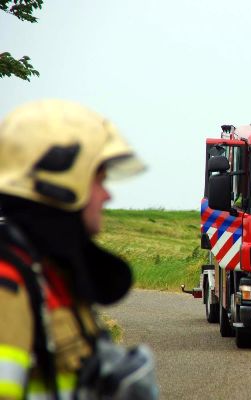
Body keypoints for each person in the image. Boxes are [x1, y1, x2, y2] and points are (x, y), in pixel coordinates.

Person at [0, 100, 158, 399]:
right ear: (59, 182)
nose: (107, 195)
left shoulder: (51, 274)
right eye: (98, 180)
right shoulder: (7, 282)